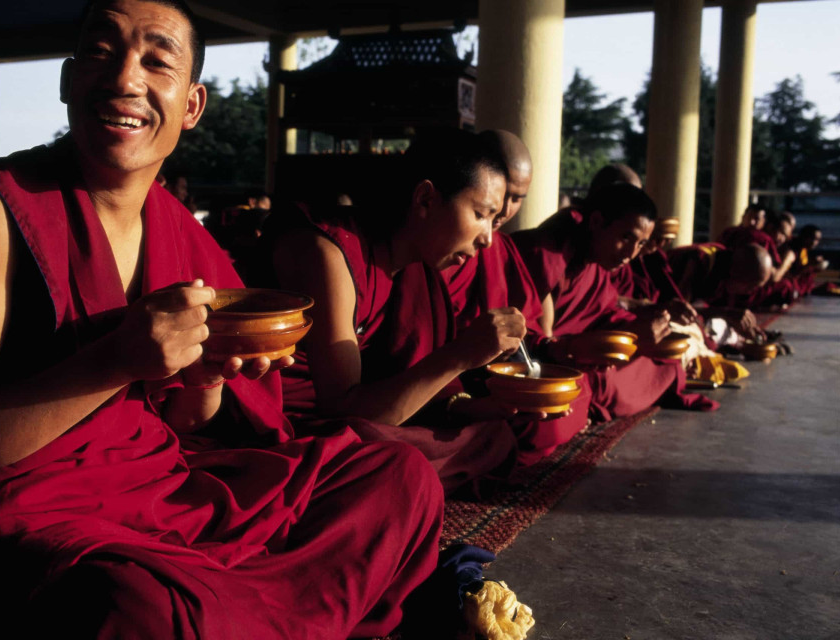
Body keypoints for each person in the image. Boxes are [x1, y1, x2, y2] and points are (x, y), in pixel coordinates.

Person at [0, 2, 444, 638]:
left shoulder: (179, 230)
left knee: (397, 475)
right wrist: (113, 361)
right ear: (68, 79)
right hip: (32, 508)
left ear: (192, 105)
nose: (125, 79)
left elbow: (181, 425)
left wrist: (205, 375)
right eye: (101, 53)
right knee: (138, 607)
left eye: (157, 61)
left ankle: (242, 611)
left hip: (160, 492)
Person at [259, 129, 533, 493]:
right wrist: (460, 355)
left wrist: (483, 406)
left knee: (493, 435)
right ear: (425, 199)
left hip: (370, 420)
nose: (487, 238)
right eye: (481, 214)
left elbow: (404, 385)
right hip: (290, 424)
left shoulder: (414, 267)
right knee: (393, 461)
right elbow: (343, 411)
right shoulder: (327, 251)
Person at [440, 130, 591, 466]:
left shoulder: (500, 248)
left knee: (576, 393)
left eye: (517, 198)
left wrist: (552, 350)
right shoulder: (437, 245)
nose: (505, 209)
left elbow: (529, 329)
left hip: (498, 377)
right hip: (448, 382)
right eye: (501, 193)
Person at [512, 184, 718, 421]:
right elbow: (540, 350)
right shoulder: (550, 252)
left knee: (666, 362)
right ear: (596, 222)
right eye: (626, 237)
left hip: (581, 351)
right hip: (557, 359)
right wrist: (618, 342)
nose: (631, 253)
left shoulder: (595, 261)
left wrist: (641, 330)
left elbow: (603, 312)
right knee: (593, 382)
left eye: (640, 244)